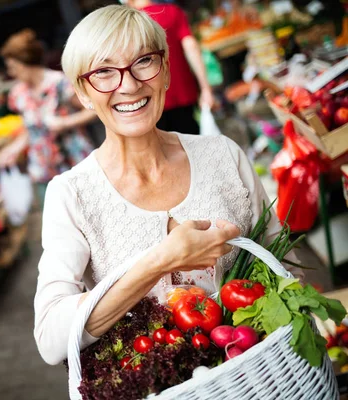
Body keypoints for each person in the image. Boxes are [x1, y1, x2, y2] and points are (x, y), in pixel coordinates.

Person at [33, 5, 302, 366]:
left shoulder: (223, 155)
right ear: (83, 93)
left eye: (144, 61)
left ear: (167, 71)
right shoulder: (72, 194)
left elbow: (287, 269)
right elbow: (50, 339)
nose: (128, 85)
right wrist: (160, 262)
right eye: (104, 72)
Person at [0, 29, 96, 207]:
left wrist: (65, 123)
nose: (12, 73)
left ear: (25, 63)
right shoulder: (18, 94)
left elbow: (93, 110)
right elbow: (31, 131)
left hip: (74, 164)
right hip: (43, 171)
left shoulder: (60, 83)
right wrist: (14, 148)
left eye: (13, 67)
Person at [126, 0, 215, 134]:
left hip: (147, 101)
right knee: (192, 143)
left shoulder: (128, 25)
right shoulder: (172, 11)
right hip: (183, 94)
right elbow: (191, 47)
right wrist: (205, 89)